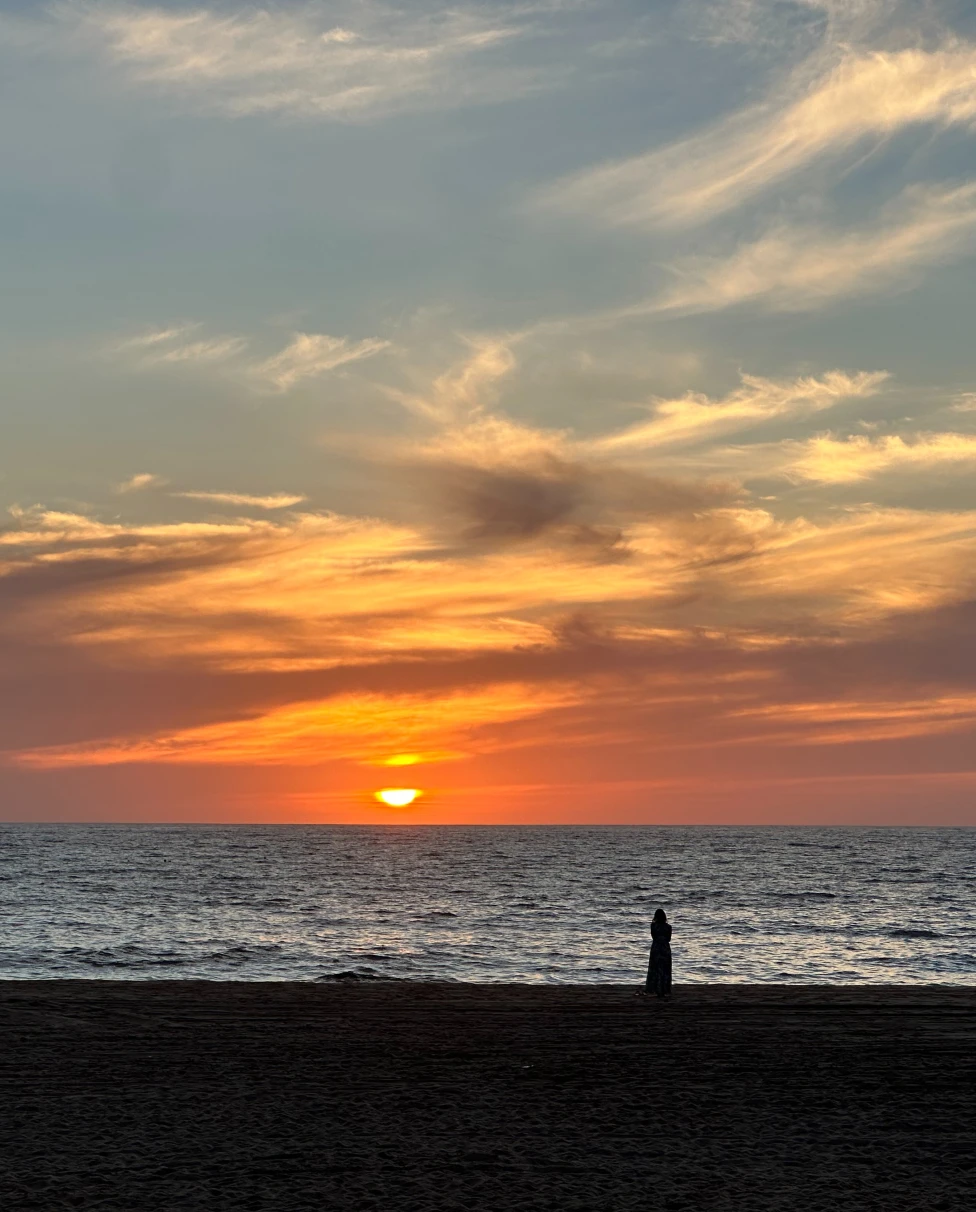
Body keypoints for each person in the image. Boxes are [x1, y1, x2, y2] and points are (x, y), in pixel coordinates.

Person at [646, 908, 672, 999]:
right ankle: (664, 989)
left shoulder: (653, 926)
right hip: (665, 948)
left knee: (655, 968)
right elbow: (669, 939)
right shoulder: (668, 927)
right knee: (665, 969)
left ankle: (654, 989)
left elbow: (653, 937)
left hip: (656, 948)